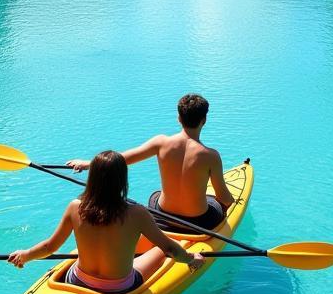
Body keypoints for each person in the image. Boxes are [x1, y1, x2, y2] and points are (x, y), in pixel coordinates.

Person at [7, 150, 203, 294]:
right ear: (122, 180)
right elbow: (170, 249)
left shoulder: (75, 207)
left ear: (92, 178)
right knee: (161, 249)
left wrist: (25, 255)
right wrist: (192, 259)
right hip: (119, 288)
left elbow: (50, 246)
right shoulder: (137, 213)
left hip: (76, 280)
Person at [66, 93, 233, 235]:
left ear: (178, 118)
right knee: (214, 202)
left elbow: (122, 159)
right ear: (204, 120)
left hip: (163, 215)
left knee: (155, 195)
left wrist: (88, 163)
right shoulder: (211, 156)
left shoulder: (160, 143)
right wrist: (231, 204)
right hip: (198, 223)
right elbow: (223, 197)